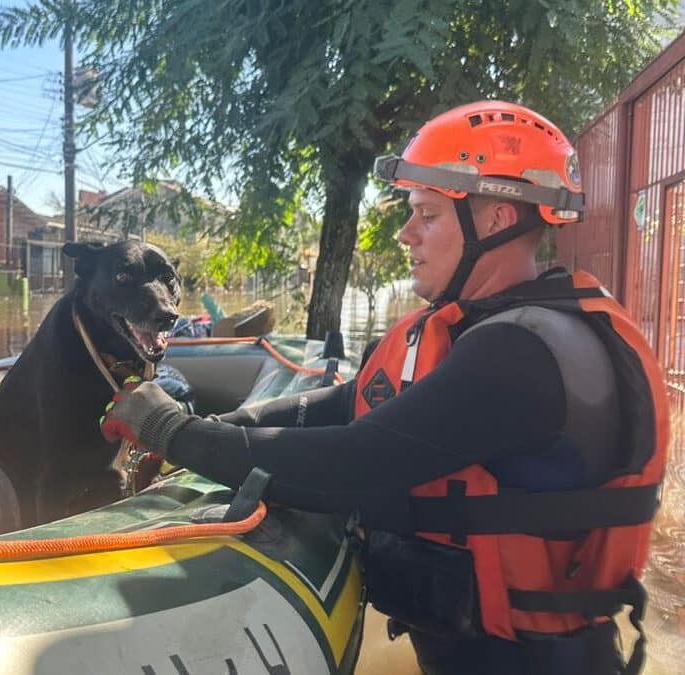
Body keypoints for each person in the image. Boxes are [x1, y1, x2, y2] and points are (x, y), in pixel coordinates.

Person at [100, 101, 668, 675]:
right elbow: (349, 405)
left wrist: (172, 431)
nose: (405, 234)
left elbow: (357, 461)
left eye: (427, 215)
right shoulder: (483, 326)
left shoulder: (519, 353)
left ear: (497, 219)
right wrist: (222, 427)